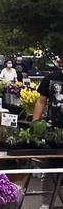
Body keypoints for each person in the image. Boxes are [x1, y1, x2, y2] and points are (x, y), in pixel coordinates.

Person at [34, 56, 63, 209]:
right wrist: (35, 123)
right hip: (53, 132)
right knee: (50, 169)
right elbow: (41, 101)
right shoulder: (50, 78)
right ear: (61, 62)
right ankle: (46, 204)